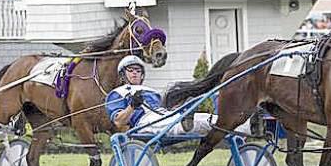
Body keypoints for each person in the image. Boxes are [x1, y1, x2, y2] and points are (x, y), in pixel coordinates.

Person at [105, 55, 251, 136]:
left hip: (165, 114)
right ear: (123, 75)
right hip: (143, 123)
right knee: (171, 122)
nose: (135, 73)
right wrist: (132, 106)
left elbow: (164, 108)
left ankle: (247, 127)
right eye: (131, 70)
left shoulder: (151, 91)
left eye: (138, 70)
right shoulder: (118, 93)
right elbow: (118, 122)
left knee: (203, 118)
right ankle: (184, 123)